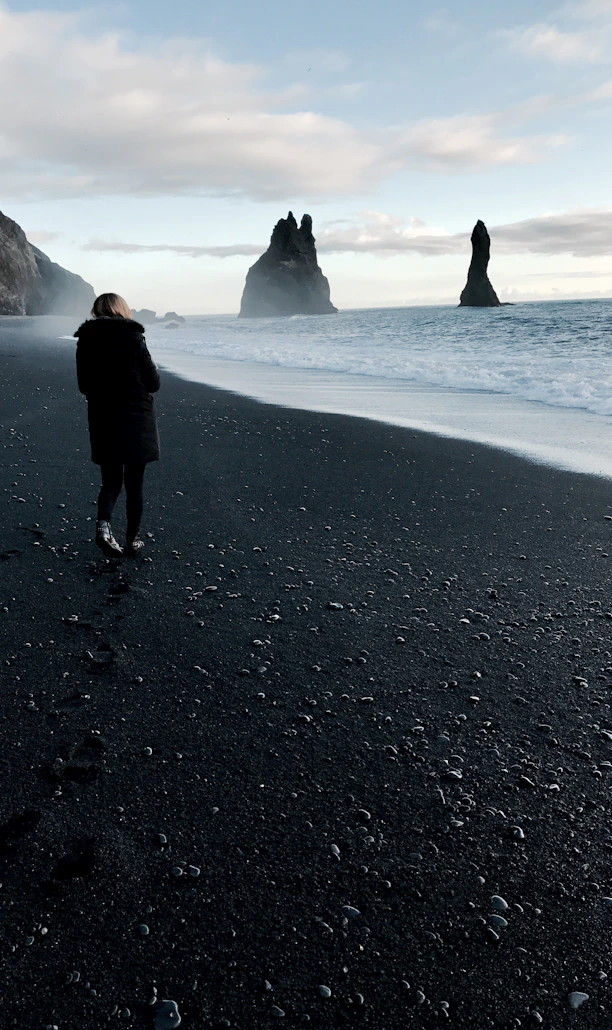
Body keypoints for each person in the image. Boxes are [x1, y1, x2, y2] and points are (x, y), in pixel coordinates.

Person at [75, 293, 160, 557]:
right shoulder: (135, 339)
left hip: (103, 417)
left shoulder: (86, 341)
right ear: (122, 310)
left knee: (111, 481)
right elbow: (153, 382)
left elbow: (84, 386)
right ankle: (132, 540)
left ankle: (103, 526)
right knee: (135, 483)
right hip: (136, 418)